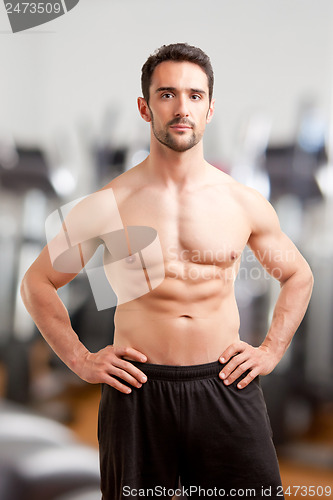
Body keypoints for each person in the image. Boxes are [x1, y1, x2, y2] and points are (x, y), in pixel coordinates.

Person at [21, 43, 313, 499]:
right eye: (167, 94)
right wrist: (80, 358)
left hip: (224, 383)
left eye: (195, 96)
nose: (182, 108)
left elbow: (298, 275)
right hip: (137, 391)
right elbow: (37, 282)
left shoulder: (241, 202)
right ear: (145, 107)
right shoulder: (109, 203)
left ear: (211, 109)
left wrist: (271, 351)